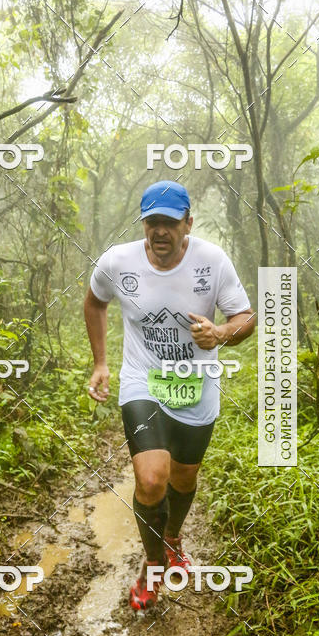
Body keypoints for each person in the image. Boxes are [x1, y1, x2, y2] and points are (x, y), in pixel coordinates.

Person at [84, 180, 255, 611]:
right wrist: (101, 362)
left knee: (183, 478)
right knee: (151, 478)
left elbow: (245, 318)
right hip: (144, 381)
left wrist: (220, 333)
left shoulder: (211, 261)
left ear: (188, 224)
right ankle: (155, 564)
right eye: (151, 222)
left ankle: (174, 535)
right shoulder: (117, 262)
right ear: (143, 224)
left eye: (169, 223)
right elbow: (94, 302)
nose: (159, 231)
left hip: (198, 384)